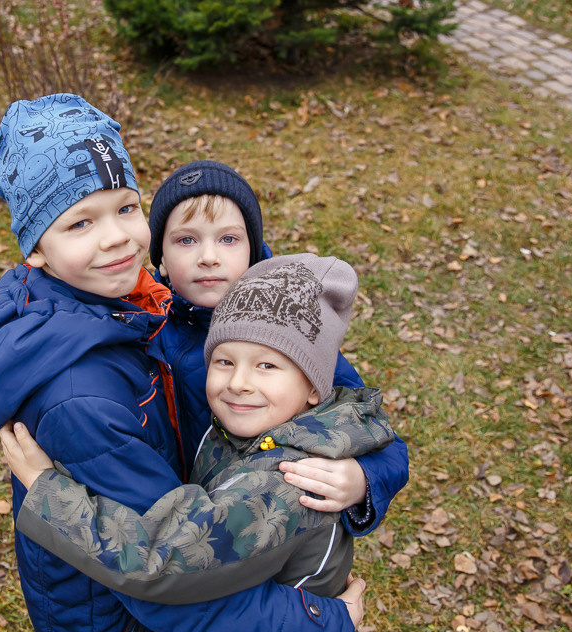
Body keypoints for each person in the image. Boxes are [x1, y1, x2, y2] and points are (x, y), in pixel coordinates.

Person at [0, 93, 363, 632]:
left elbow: (346, 399)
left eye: (126, 208)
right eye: (80, 222)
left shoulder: (135, 304)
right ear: (37, 251)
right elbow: (167, 573)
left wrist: (366, 477)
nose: (117, 238)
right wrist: (322, 627)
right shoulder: (81, 396)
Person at [3, 254, 395, 632]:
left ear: (314, 387)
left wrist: (47, 491)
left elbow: (160, 560)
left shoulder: (286, 479)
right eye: (225, 361)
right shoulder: (246, 433)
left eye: (267, 365)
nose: (239, 383)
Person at [146, 160, 409, 533]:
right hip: (176, 524)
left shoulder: (290, 325)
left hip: (268, 522)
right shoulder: (144, 330)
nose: (208, 256)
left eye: (228, 239)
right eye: (186, 240)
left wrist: (362, 477)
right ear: (161, 260)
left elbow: (375, 434)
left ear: (252, 251)